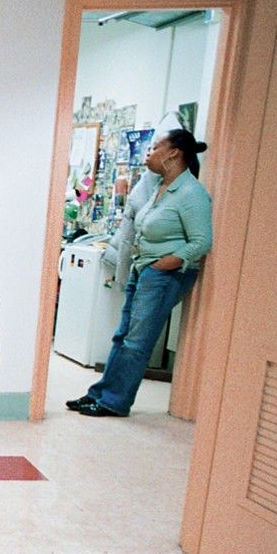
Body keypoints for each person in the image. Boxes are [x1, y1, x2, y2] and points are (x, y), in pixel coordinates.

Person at [68, 129, 212, 417]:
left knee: (137, 342)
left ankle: (115, 402)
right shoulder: (158, 186)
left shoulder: (191, 193)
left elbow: (202, 241)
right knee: (123, 337)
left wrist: (164, 263)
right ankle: (100, 393)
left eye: (156, 147)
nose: (149, 153)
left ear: (173, 153)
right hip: (144, 268)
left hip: (164, 274)